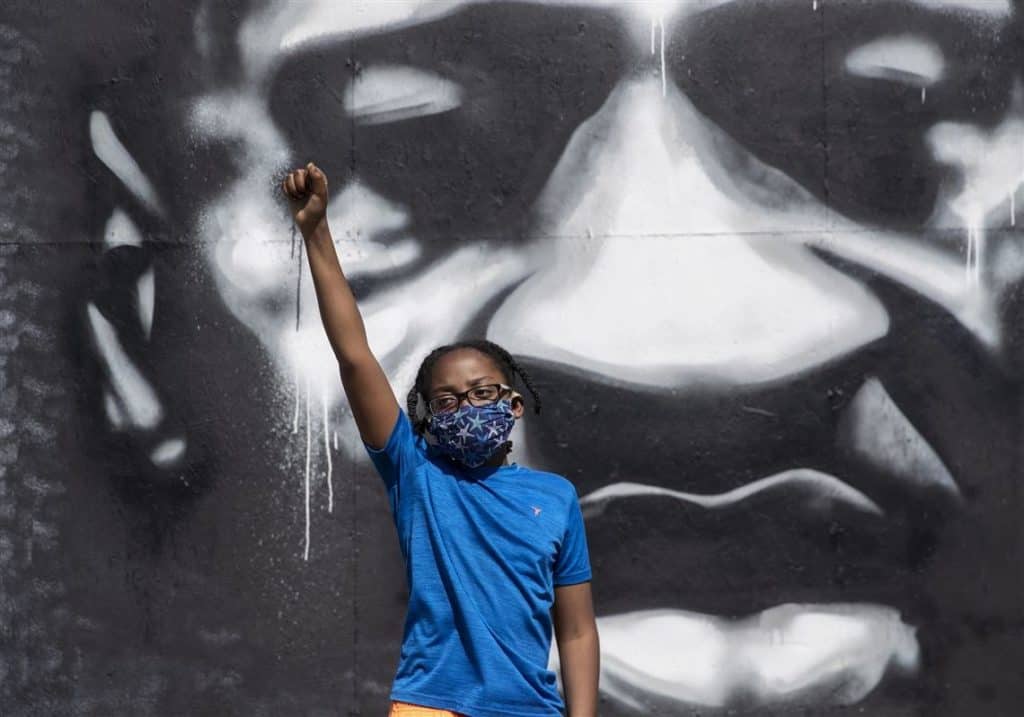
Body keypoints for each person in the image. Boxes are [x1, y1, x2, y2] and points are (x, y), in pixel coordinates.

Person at [281, 161, 600, 717]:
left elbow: (575, 631)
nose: (466, 406)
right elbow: (354, 357)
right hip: (431, 707)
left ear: (514, 406)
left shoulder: (557, 498)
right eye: (447, 400)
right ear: (427, 419)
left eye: (482, 393)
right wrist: (316, 232)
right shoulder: (417, 471)